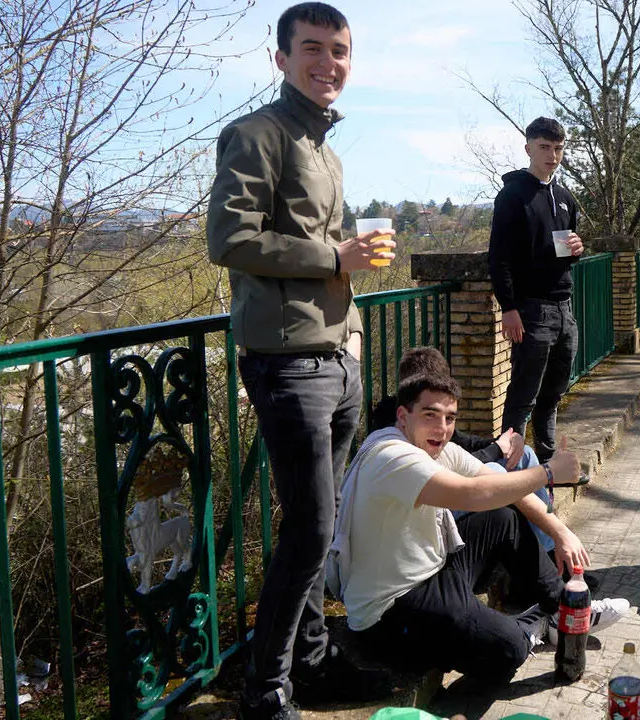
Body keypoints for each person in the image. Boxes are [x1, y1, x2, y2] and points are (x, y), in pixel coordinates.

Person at [206, 4, 396, 718]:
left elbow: (324, 245)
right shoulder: (257, 133)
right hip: (286, 364)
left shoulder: (325, 148)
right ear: (280, 57)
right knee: (310, 529)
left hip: (334, 356)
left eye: (339, 51)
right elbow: (227, 238)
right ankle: (265, 688)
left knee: (322, 525)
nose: (328, 63)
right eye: (311, 49)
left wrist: (349, 286)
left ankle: (311, 663)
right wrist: (332, 256)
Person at [332, 373, 628, 686]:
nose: (442, 428)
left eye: (449, 418)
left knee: (502, 518)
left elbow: (492, 480)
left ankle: (560, 607)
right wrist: (547, 472)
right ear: (404, 416)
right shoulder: (392, 456)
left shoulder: (435, 447)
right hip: (392, 611)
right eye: (430, 414)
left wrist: (559, 531)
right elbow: (471, 494)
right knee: (508, 652)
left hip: (431, 573)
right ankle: (534, 626)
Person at [367, 347, 595, 580]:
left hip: (451, 491)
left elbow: (463, 446)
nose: (441, 424)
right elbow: (446, 471)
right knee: (496, 472)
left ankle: (547, 551)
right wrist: (540, 468)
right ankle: (538, 566)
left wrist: (507, 440)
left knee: (524, 453)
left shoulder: (438, 419)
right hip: (428, 506)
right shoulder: (392, 421)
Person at [490, 117, 584, 463]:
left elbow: (565, 253)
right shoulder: (513, 196)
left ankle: (545, 463)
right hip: (530, 310)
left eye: (558, 148)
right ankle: (508, 469)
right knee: (523, 395)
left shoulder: (564, 197)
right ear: (528, 147)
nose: (552, 155)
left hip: (564, 308)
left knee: (554, 393)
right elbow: (498, 258)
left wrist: (578, 250)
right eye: (545, 147)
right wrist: (509, 307)